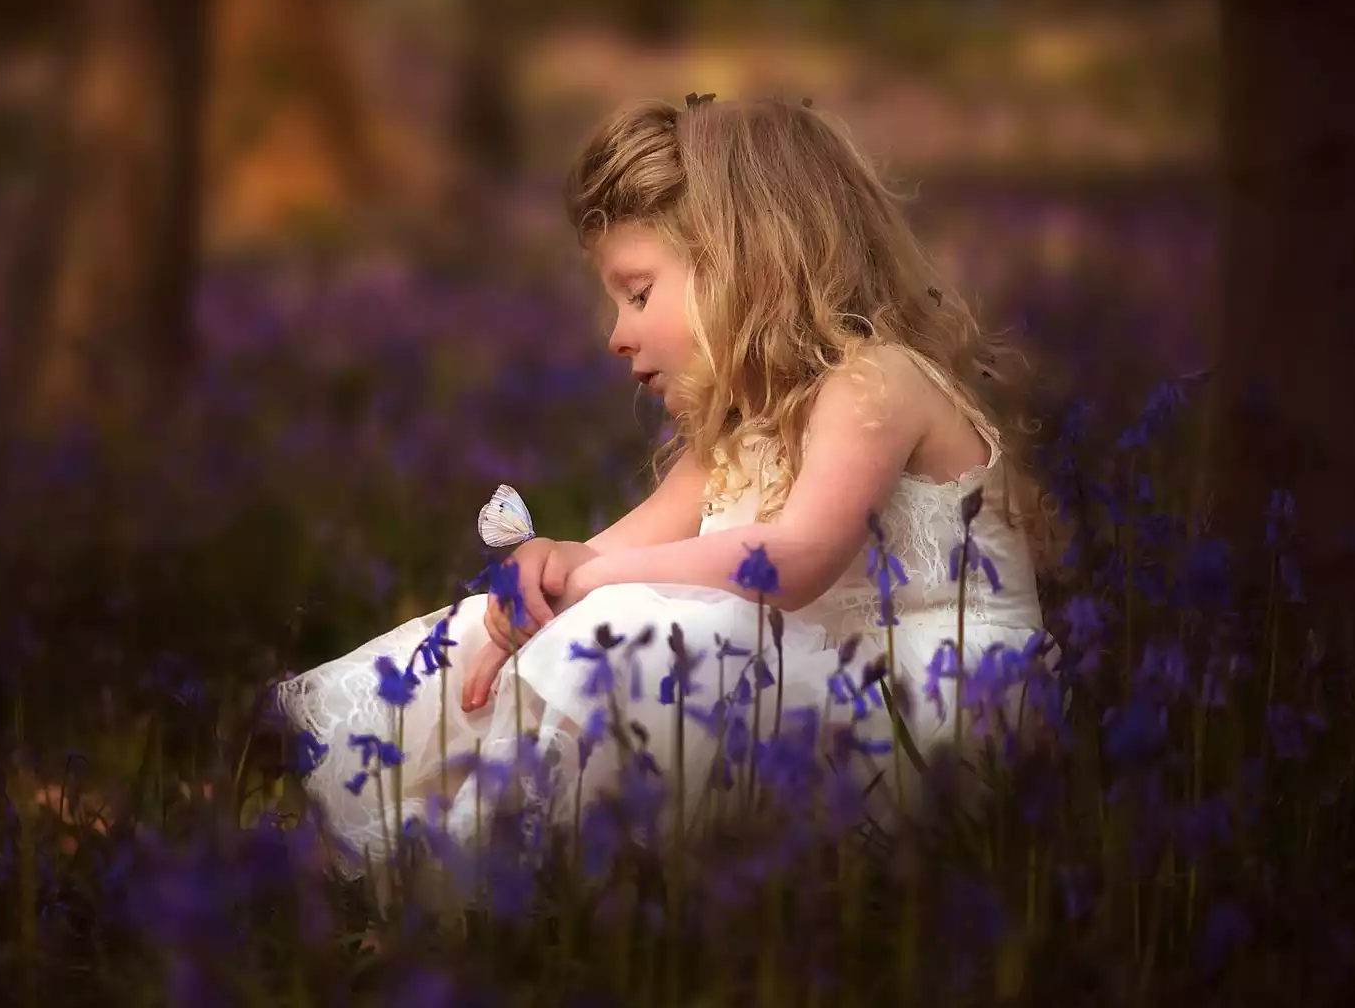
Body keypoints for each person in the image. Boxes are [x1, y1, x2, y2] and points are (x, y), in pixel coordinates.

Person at [273, 95, 1056, 878]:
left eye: (638, 292)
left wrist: (592, 579)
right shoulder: (739, 436)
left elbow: (795, 558)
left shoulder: (874, 382)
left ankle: (504, 863)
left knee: (639, 628)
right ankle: (419, 833)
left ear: (747, 262)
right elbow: (603, 554)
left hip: (940, 708)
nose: (616, 333)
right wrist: (550, 564)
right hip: (833, 698)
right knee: (540, 616)